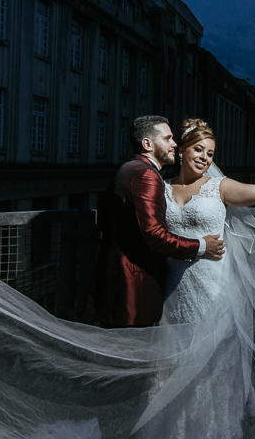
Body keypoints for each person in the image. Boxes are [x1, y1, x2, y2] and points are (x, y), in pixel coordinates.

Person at [135, 118, 255, 439]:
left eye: (210, 153)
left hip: (213, 287)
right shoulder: (162, 188)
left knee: (210, 361)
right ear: (182, 150)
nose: (203, 157)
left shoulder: (219, 187)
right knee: (174, 362)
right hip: (176, 287)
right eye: (198, 149)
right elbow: (152, 232)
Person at [89, 116, 226, 328]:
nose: (174, 144)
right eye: (168, 138)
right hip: (133, 286)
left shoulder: (128, 168)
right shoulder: (147, 176)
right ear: (147, 144)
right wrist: (201, 246)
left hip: (115, 281)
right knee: (134, 353)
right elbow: (154, 235)